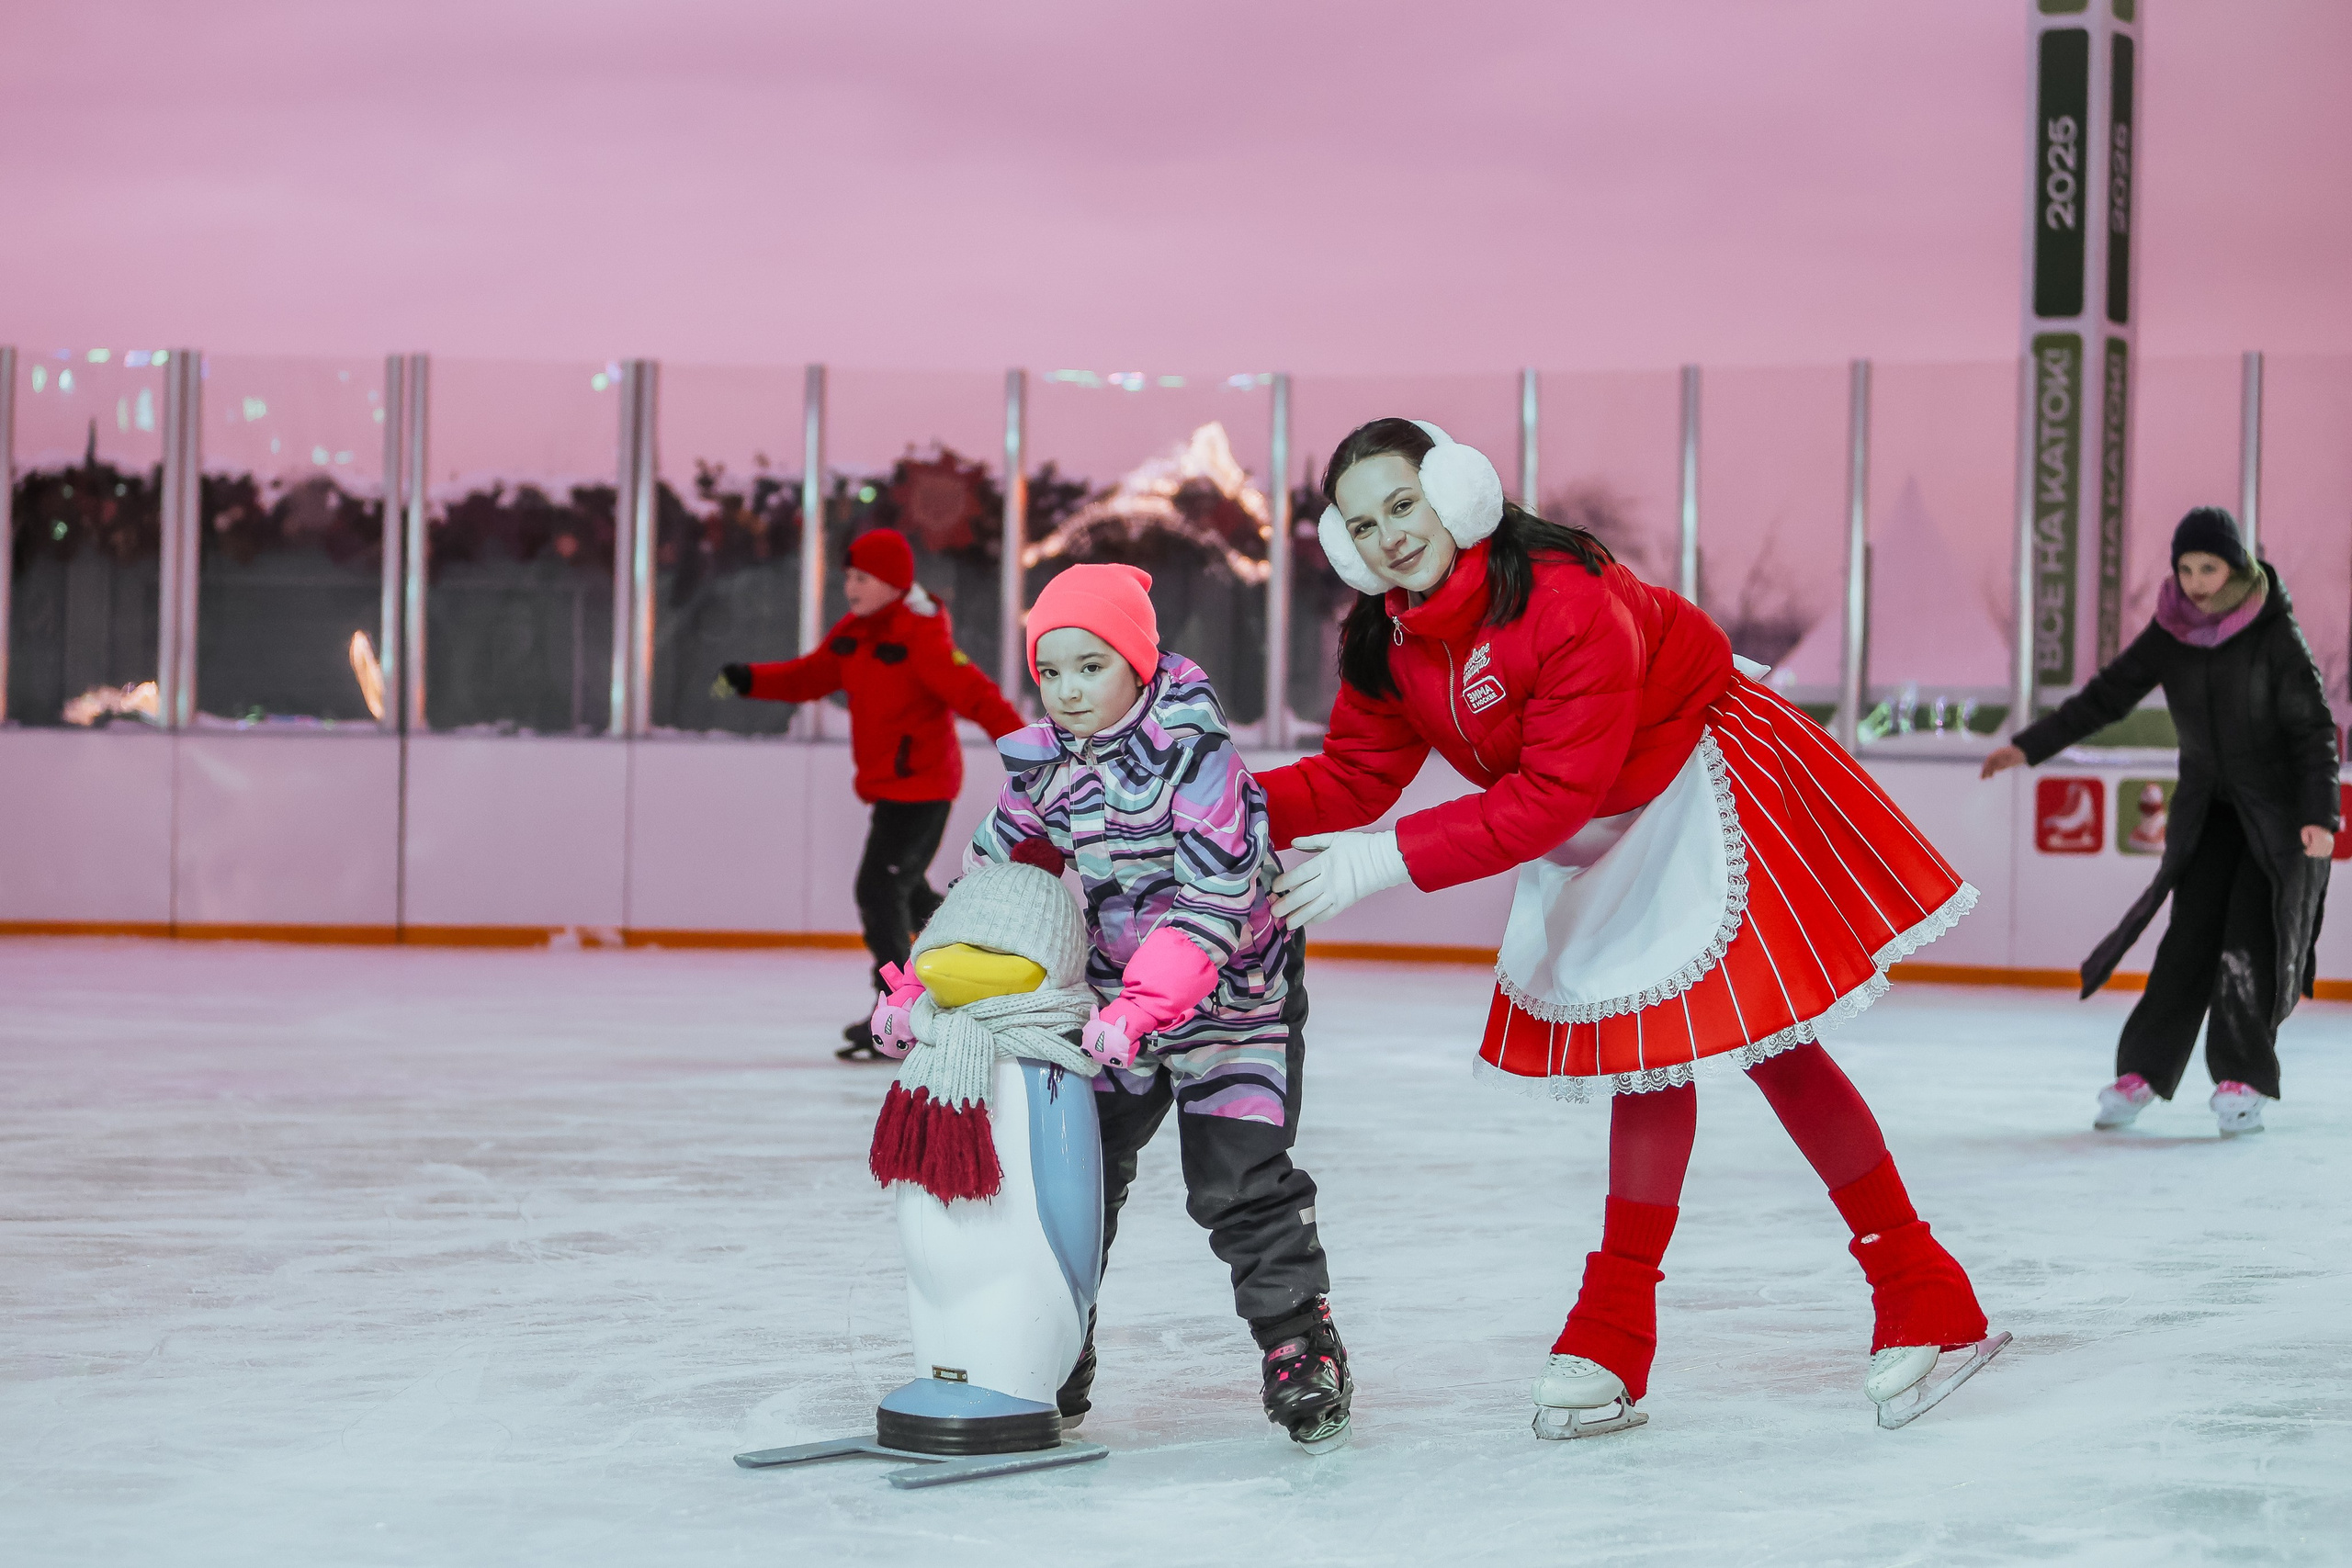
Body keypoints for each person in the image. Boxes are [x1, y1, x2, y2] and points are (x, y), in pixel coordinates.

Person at [1258, 418, 1997, 1439]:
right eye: (1361, 524)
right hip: (1595, 820)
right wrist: (1203, 801)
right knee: (1648, 1060)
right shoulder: (1393, 642)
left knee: (1770, 1048)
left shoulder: (1564, 596)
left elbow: (1555, 790)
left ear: (1457, 494)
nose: (1388, 537)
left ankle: (1918, 1293)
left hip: (1701, 782)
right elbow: (1349, 776)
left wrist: (1384, 860)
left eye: (1402, 505)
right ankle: (1617, 1333)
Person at [960, 561, 1352, 1452]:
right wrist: (928, 976)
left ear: (1137, 663)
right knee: (1074, 1181)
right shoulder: (1043, 768)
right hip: (1114, 1006)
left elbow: (1215, 901)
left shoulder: (1199, 757)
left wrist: (1146, 1005)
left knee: (1238, 1184)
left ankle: (1299, 1344)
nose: (1064, 692)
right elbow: (995, 876)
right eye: (1049, 671)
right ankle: (1055, 1352)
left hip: (1234, 1005)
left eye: (1088, 667)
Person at [1982, 507, 2338, 1136]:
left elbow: (2314, 732)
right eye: (2186, 568)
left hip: (2276, 812)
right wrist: (2030, 745)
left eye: (2210, 567)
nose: (2198, 581)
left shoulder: (2274, 633)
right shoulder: (2171, 631)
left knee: (2247, 943)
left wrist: (2319, 816)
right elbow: (2107, 695)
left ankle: (2243, 1075)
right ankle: (2143, 1069)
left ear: (2235, 567)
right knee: (2187, 938)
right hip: (2207, 809)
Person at [714, 527, 1025, 1060]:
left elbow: (975, 694)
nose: (851, 587)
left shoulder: (919, 634)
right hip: (890, 790)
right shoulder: (854, 634)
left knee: (878, 891)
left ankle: (897, 1002)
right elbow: (808, 676)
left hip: (924, 787)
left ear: (893, 582)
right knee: (905, 891)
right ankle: (980, 952)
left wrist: (1026, 750)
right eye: (848, 578)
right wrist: (749, 679)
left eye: (862, 578)